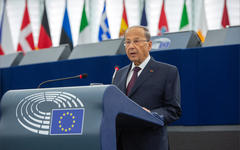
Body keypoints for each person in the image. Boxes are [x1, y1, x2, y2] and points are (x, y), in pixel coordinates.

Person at [112, 25, 182, 150]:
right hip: (121, 144)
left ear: (149, 45)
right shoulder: (119, 74)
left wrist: (151, 114)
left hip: (150, 143)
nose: (131, 46)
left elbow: (173, 110)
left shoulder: (167, 71)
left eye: (136, 41)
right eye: (127, 42)